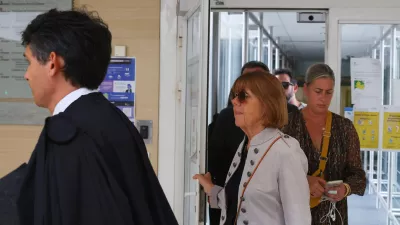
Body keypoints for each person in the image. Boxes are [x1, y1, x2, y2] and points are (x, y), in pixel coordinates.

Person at [17, 8, 178, 225]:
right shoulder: (110, 118)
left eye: (29, 61)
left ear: (53, 63)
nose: (27, 74)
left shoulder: (68, 135)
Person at [196, 71, 311, 225]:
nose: (235, 101)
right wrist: (211, 190)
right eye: (235, 95)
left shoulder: (286, 151)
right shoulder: (245, 145)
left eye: (243, 96)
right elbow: (246, 203)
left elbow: (299, 219)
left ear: (266, 104)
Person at [282, 63, 366, 225]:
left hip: (333, 216)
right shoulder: (287, 125)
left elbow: (358, 176)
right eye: (318, 91)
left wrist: (345, 188)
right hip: (294, 216)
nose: (323, 98)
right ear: (306, 89)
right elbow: (273, 171)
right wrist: (303, 180)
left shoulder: (344, 128)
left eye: (329, 92)